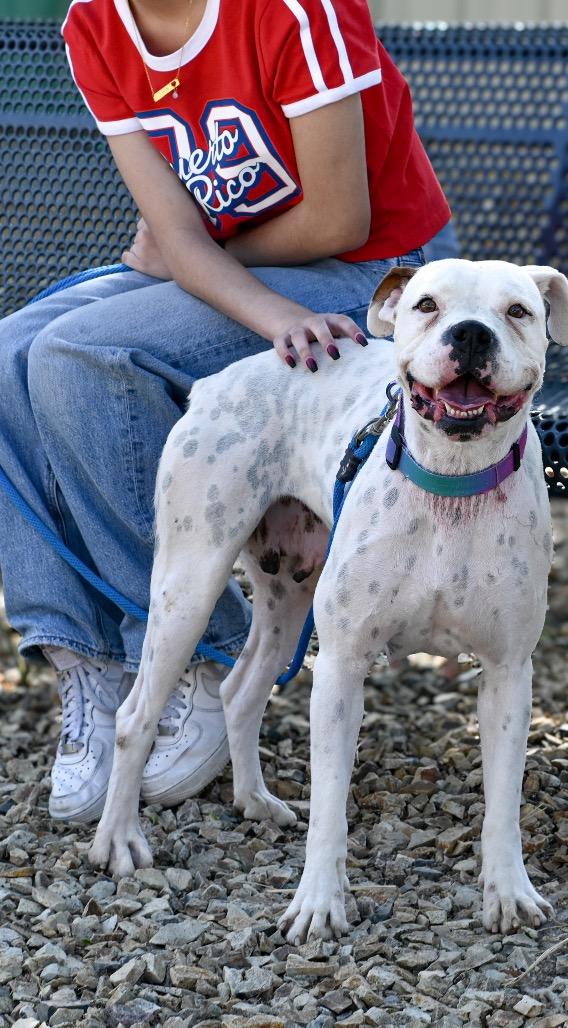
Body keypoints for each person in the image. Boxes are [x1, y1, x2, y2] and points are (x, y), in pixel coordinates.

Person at [0, 0, 450, 823]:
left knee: (83, 357)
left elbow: (338, 217)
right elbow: (170, 230)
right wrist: (192, 256)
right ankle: (88, 661)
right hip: (230, 264)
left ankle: (191, 661)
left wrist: (205, 266)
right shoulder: (95, 24)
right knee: (10, 355)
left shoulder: (290, 12)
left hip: (375, 276)